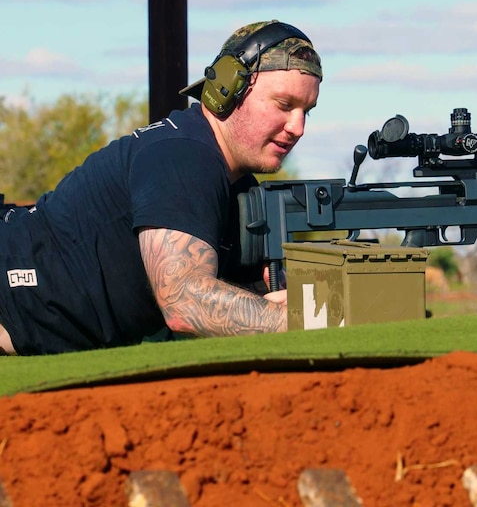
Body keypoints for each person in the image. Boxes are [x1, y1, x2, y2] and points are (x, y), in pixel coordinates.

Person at [0, 20, 322, 355]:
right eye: (284, 105)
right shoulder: (184, 156)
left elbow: (257, 298)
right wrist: (301, 320)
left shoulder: (237, 188)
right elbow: (185, 302)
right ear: (229, 90)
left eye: (306, 112)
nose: (297, 127)